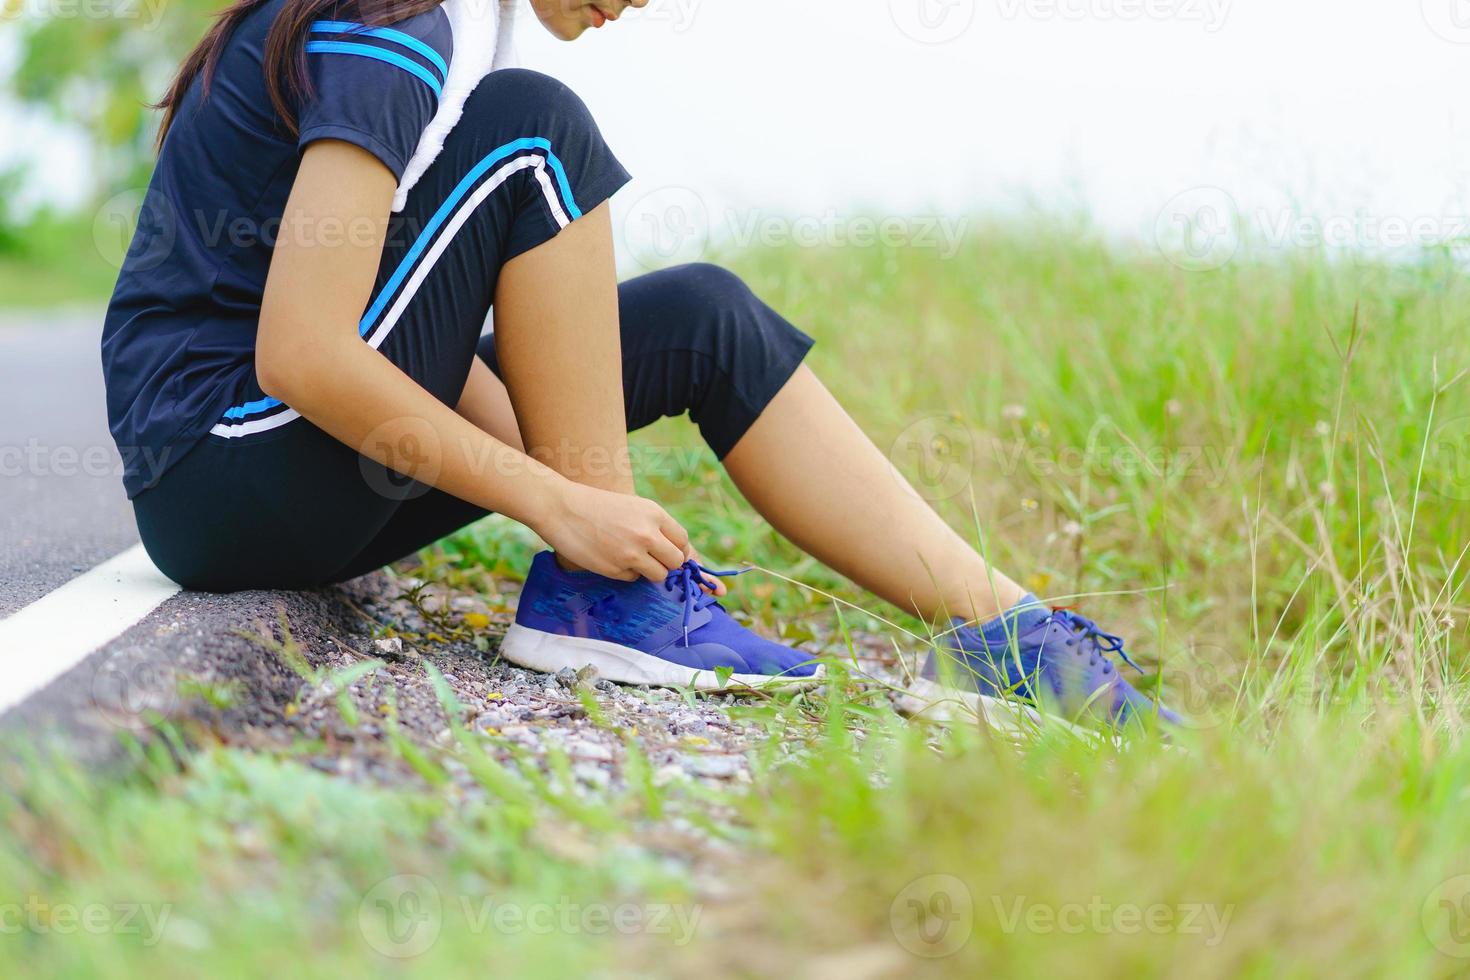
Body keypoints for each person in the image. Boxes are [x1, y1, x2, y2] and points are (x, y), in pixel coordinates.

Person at [102, 0, 1176, 725]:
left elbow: (408, 324)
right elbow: (302, 352)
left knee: (704, 313)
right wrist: (563, 508)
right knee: (538, 133)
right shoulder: (399, 24)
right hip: (225, 467)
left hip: (274, 469)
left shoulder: (460, 30)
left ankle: (1006, 635)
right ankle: (604, 602)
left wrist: (587, 502)